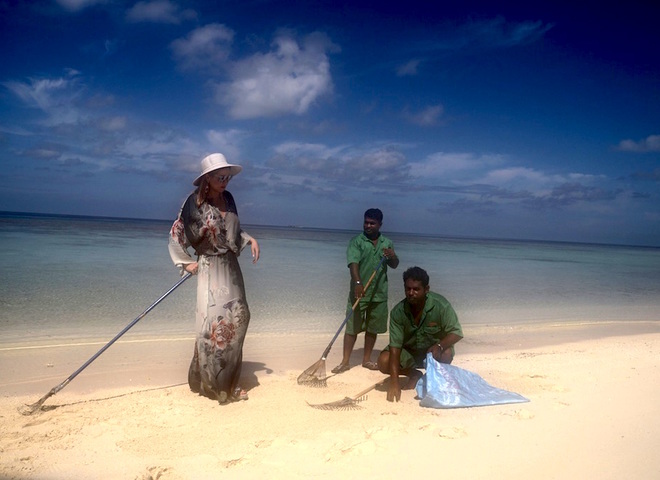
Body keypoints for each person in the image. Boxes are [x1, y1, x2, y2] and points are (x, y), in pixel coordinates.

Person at [168, 153, 260, 404]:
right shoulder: (192, 203)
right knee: (213, 327)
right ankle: (217, 386)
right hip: (210, 269)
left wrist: (249, 239)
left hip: (231, 267)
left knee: (239, 320)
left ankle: (228, 379)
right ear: (206, 178)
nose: (225, 180)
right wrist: (186, 263)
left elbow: (233, 231)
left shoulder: (229, 199)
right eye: (220, 176)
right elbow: (177, 232)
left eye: (227, 176)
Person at [377, 266, 463, 402]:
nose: (411, 293)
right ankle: (414, 374)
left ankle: (431, 378)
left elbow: (457, 332)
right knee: (383, 361)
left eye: (416, 289)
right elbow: (395, 348)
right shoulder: (397, 312)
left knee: (446, 353)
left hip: (433, 352)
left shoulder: (441, 305)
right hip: (409, 353)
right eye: (408, 289)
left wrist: (440, 345)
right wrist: (394, 383)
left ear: (426, 289)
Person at [332, 208, 399, 374]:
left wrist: (392, 255)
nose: (368, 225)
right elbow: (353, 263)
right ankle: (345, 362)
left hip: (379, 294)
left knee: (372, 328)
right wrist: (357, 282)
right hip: (359, 292)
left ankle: (366, 360)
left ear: (380, 224)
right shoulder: (357, 241)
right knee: (352, 327)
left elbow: (395, 264)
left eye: (372, 223)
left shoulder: (387, 243)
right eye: (366, 222)